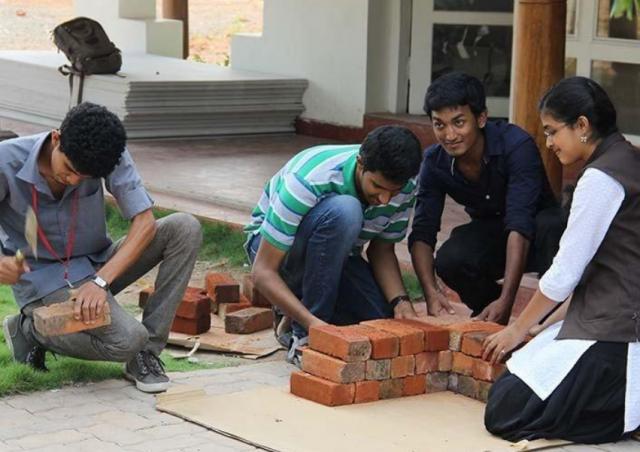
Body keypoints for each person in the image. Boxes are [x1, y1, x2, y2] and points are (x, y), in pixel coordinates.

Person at [0, 103, 202, 393]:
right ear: (56, 138)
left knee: (184, 227)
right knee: (127, 339)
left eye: (84, 178)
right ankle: (30, 330)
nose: (73, 180)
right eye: (69, 169)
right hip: (43, 278)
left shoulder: (108, 152)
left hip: (98, 263)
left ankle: (146, 355)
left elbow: (144, 222)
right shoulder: (5, 161)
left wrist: (100, 281)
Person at [482, 76, 640, 443]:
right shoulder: (628, 157)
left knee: (504, 411)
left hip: (619, 332)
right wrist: (542, 325)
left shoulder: (601, 178)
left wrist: (516, 329)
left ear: (582, 125)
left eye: (553, 131)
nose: (549, 143)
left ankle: (623, 418)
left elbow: (566, 273)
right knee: (514, 385)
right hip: (610, 317)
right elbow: (594, 274)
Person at [245, 126, 425, 364]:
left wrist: (401, 302)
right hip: (275, 254)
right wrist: (314, 325)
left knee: (379, 321)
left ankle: (292, 312)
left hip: (335, 259)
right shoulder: (309, 178)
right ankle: (304, 337)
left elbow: (381, 250)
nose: (385, 200)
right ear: (360, 164)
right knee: (346, 211)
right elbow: (262, 272)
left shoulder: (406, 185)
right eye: (377, 187)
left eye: (394, 191)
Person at [409, 72, 563, 324]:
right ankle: (489, 313)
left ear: (481, 118)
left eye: (459, 122)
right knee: (451, 259)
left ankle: (551, 324)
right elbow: (422, 232)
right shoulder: (434, 162)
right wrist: (430, 292)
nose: (449, 135)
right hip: (494, 234)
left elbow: (520, 223)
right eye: (439, 125)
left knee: (553, 224)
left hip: (540, 237)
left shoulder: (516, 145)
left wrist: (508, 300)